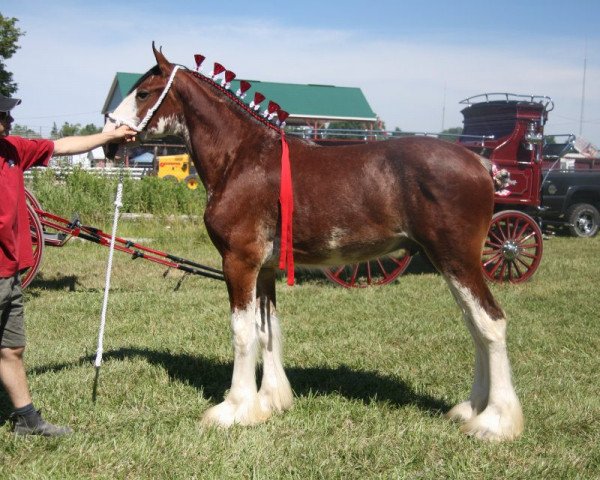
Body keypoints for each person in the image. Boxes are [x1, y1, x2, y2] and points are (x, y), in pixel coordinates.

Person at [0, 93, 137, 436]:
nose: (11, 121)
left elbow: (62, 146)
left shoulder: (13, 149)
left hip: (10, 272)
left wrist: (110, 136)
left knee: (11, 347)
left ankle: (27, 420)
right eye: (4, 115)